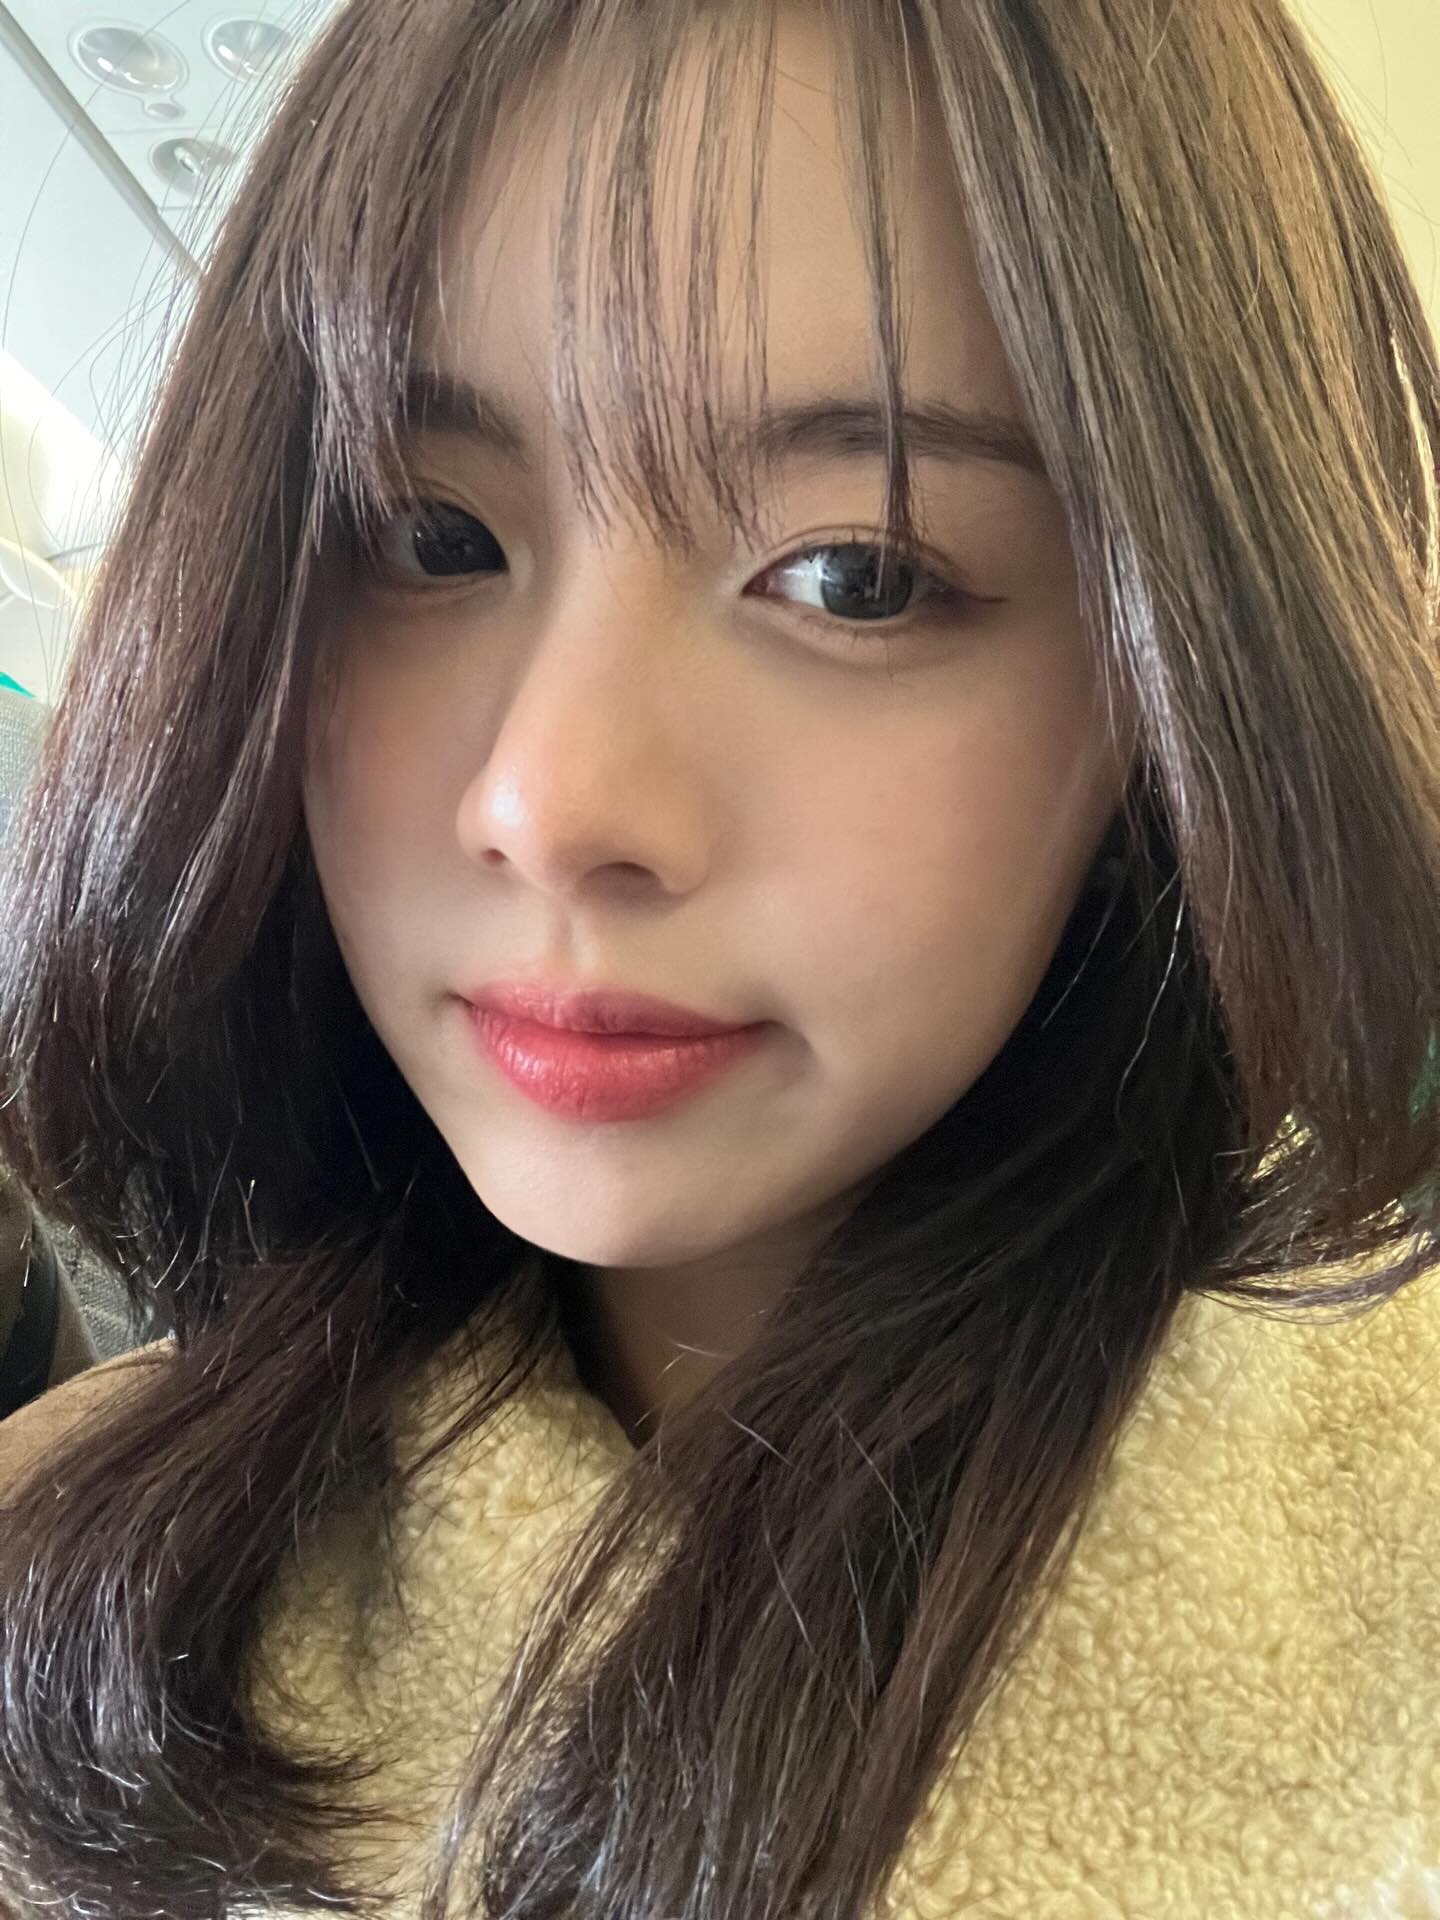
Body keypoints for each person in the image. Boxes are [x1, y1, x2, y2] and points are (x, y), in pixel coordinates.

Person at [0, 0, 1437, 1914]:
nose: (548, 800)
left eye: (858, 573)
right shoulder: (67, 1555)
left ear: (1179, 680)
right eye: (430, 537)